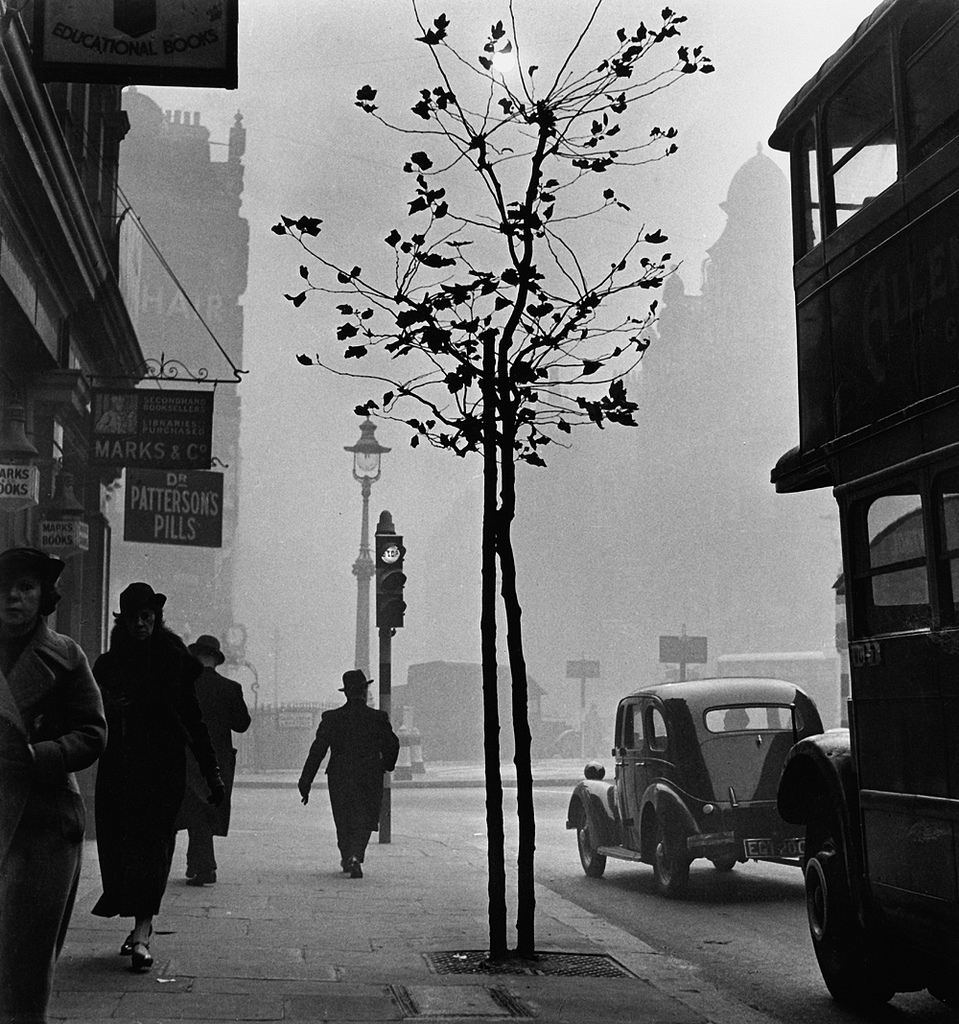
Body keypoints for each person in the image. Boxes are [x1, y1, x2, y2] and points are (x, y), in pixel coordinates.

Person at [91, 583, 224, 971]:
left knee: (153, 847)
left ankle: (143, 932)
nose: (141, 625)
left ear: (157, 618)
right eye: (133, 618)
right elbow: (87, 716)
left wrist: (211, 772)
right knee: (120, 849)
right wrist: (109, 708)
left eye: (147, 617)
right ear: (123, 620)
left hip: (163, 770)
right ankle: (136, 925)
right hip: (119, 769)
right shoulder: (108, 666)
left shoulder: (173, 661)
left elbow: (193, 719)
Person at [0, 547, 107, 1024]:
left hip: (43, 819)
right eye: (4, 589)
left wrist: (40, 755)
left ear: (43, 596)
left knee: (28, 951)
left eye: (25, 588)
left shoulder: (66, 656)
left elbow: (93, 731)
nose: (13, 598)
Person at [298, 670, 399, 879]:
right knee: (366, 818)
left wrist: (305, 780)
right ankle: (356, 855)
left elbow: (318, 749)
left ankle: (347, 855)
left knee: (343, 818)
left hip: (340, 775)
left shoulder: (332, 718)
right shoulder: (377, 718)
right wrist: (386, 765)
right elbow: (392, 743)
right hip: (370, 774)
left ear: (346, 693)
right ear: (364, 691)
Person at [175, 634, 251, 885]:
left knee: (195, 809)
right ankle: (198, 863)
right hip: (218, 760)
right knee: (206, 809)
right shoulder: (230, 688)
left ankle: (204, 866)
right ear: (216, 660)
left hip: (188, 757)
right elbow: (242, 725)